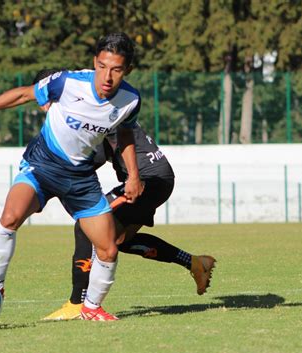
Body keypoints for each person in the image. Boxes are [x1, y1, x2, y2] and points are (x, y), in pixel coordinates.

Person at [0, 32, 144, 321]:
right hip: (42, 166)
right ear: (94, 62)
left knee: (107, 248)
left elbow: (125, 134)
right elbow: (22, 94)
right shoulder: (67, 81)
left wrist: (133, 175)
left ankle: (91, 309)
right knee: (10, 218)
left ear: (126, 70)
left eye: (116, 69)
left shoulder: (130, 100)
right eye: (102, 66)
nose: (107, 76)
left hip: (80, 179)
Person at [33, 70, 216, 320]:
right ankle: (196, 263)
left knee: (87, 226)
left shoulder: (86, 110)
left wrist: (46, 187)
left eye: (44, 97)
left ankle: (78, 303)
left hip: (148, 179)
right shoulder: (87, 106)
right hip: (156, 178)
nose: (43, 105)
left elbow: (83, 162)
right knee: (114, 240)